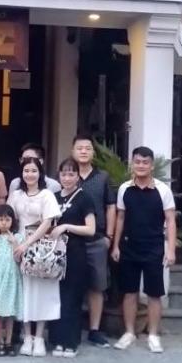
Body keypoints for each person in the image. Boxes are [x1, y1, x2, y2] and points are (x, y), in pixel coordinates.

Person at [110, 146, 177, 354]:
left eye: (145, 162)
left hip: (154, 247)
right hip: (129, 246)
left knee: (154, 293)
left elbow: (171, 220)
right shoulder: (124, 189)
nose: (141, 166)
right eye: (137, 162)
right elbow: (120, 218)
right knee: (129, 292)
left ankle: (154, 335)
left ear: (152, 165)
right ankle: (129, 332)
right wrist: (115, 245)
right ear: (132, 164)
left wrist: (171, 250)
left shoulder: (162, 190)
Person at [9, 157, 62, 357]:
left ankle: (39, 337)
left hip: (41, 248)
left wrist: (27, 243)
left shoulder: (47, 195)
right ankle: (27, 336)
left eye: (33, 170)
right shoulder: (16, 195)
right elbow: (10, 219)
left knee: (42, 292)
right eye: (26, 170)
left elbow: (47, 222)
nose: (29, 174)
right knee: (25, 292)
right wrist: (16, 243)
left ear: (40, 173)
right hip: (19, 246)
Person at [68, 135, 116, 347]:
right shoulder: (67, 175)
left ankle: (94, 330)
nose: (84, 151)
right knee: (71, 284)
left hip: (97, 239)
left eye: (88, 148)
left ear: (93, 153)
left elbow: (111, 206)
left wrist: (109, 237)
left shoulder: (103, 177)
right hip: (70, 239)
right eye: (80, 148)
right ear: (73, 151)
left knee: (97, 285)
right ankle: (71, 327)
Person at [49, 159, 97, 357]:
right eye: (64, 174)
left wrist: (66, 227)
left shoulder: (84, 198)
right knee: (56, 296)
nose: (67, 178)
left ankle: (71, 342)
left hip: (75, 253)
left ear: (78, 176)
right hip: (54, 253)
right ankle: (57, 340)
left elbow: (91, 229)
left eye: (71, 174)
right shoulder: (53, 197)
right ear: (58, 176)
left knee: (72, 297)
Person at [0, 205, 24, 357]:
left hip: (12, 278)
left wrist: (14, 243)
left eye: (7, 219)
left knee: (10, 312)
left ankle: (9, 342)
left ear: (12, 221)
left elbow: (18, 258)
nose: (4, 223)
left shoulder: (18, 237)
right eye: (1, 219)